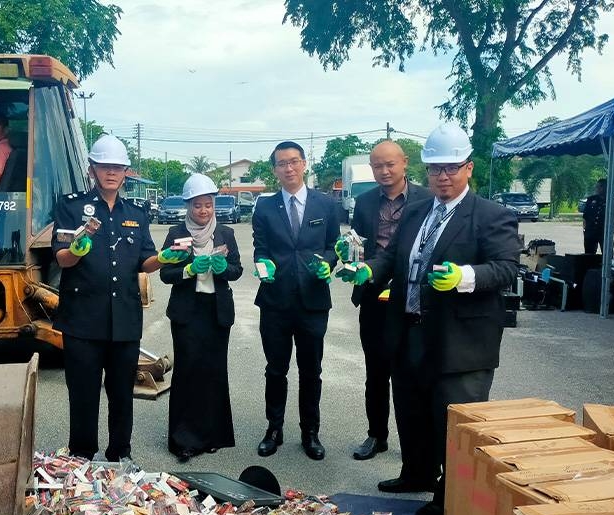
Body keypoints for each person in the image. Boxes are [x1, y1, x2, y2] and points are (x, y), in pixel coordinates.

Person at [347, 123, 519, 515]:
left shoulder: (492, 215)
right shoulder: (418, 210)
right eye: (435, 169)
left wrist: (465, 277)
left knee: (452, 422)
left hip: (459, 339)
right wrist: (368, 271)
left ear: (468, 168)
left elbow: (507, 268)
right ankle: (416, 473)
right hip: (410, 329)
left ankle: (450, 495)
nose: (443, 176)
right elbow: (393, 258)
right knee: (411, 410)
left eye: (451, 168)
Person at [52, 135, 188, 462]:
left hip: (124, 319)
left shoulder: (137, 212)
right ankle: (82, 456)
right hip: (82, 318)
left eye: (117, 167)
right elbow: (60, 258)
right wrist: (76, 249)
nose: (111, 172)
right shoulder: (71, 206)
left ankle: (119, 455)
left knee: (121, 394)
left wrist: (166, 257)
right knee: (83, 394)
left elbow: (145, 261)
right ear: (92, 169)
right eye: (104, 166)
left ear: (126, 172)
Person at [252, 141, 342, 460]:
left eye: (293, 162)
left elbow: (334, 245)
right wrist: (262, 265)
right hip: (275, 301)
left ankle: (310, 432)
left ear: (304, 164)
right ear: (275, 170)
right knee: (275, 369)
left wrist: (328, 263)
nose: (288, 168)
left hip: (313, 301)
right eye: (281, 164)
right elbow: (260, 249)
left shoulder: (326, 204)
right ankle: (273, 429)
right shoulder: (264, 206)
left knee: (310, 370)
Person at [344, 140, 431, 461]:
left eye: (390, 164)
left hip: (412, 296)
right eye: (377, 165)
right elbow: (358, 245)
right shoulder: (365, 202)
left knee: (412, 372)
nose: (384, 171)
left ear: (405, 163)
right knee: (376, 371)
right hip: (374, 296)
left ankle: (417, 443)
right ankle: (376, 435)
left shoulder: (427, 198)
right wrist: (350, 257)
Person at [160, 174, 243, 462]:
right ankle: (183, 439)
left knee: (214, 371)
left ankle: (212, 435)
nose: (204, 211)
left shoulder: (226, 234)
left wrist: (222, 269)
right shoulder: (175, 234)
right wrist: (188, 270)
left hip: (216, 310)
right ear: (188, 206)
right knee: (187, 371)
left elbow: (236, 270)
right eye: (197, 205)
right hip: (188, 310)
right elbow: (165, 273)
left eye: (208, 205)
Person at [582, 179, 608, 254]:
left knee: (607, 254)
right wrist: (585, 230)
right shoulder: (591, 199)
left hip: (604, 232)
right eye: (597, 187)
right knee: (589, 254)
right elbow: (585, 216)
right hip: (591, 232)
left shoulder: (612, 200)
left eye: (600, 187)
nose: (597, 189)